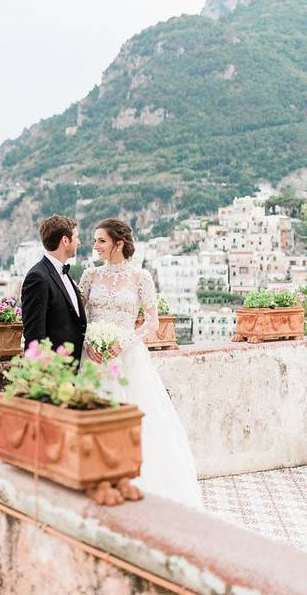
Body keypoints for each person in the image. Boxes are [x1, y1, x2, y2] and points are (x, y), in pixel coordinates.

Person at [79, 218, 203, 509]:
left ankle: (133, 481)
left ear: (118, 244)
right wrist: (88, 342)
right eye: (95, 240)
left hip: (128, 357)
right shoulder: (90, 275)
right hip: (94, 357)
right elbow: (78, 316)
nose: (95, 246)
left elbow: (152, 322)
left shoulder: (140, 277)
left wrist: (123, 343)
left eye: (101, 241)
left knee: (137, 420)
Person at [21, 215, 87, 364]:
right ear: (65, 240)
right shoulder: (38, 277)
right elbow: (34, 333)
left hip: (73, 366)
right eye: (76, 237)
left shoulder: (64, 275)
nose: (79, 242)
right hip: (54, 370)